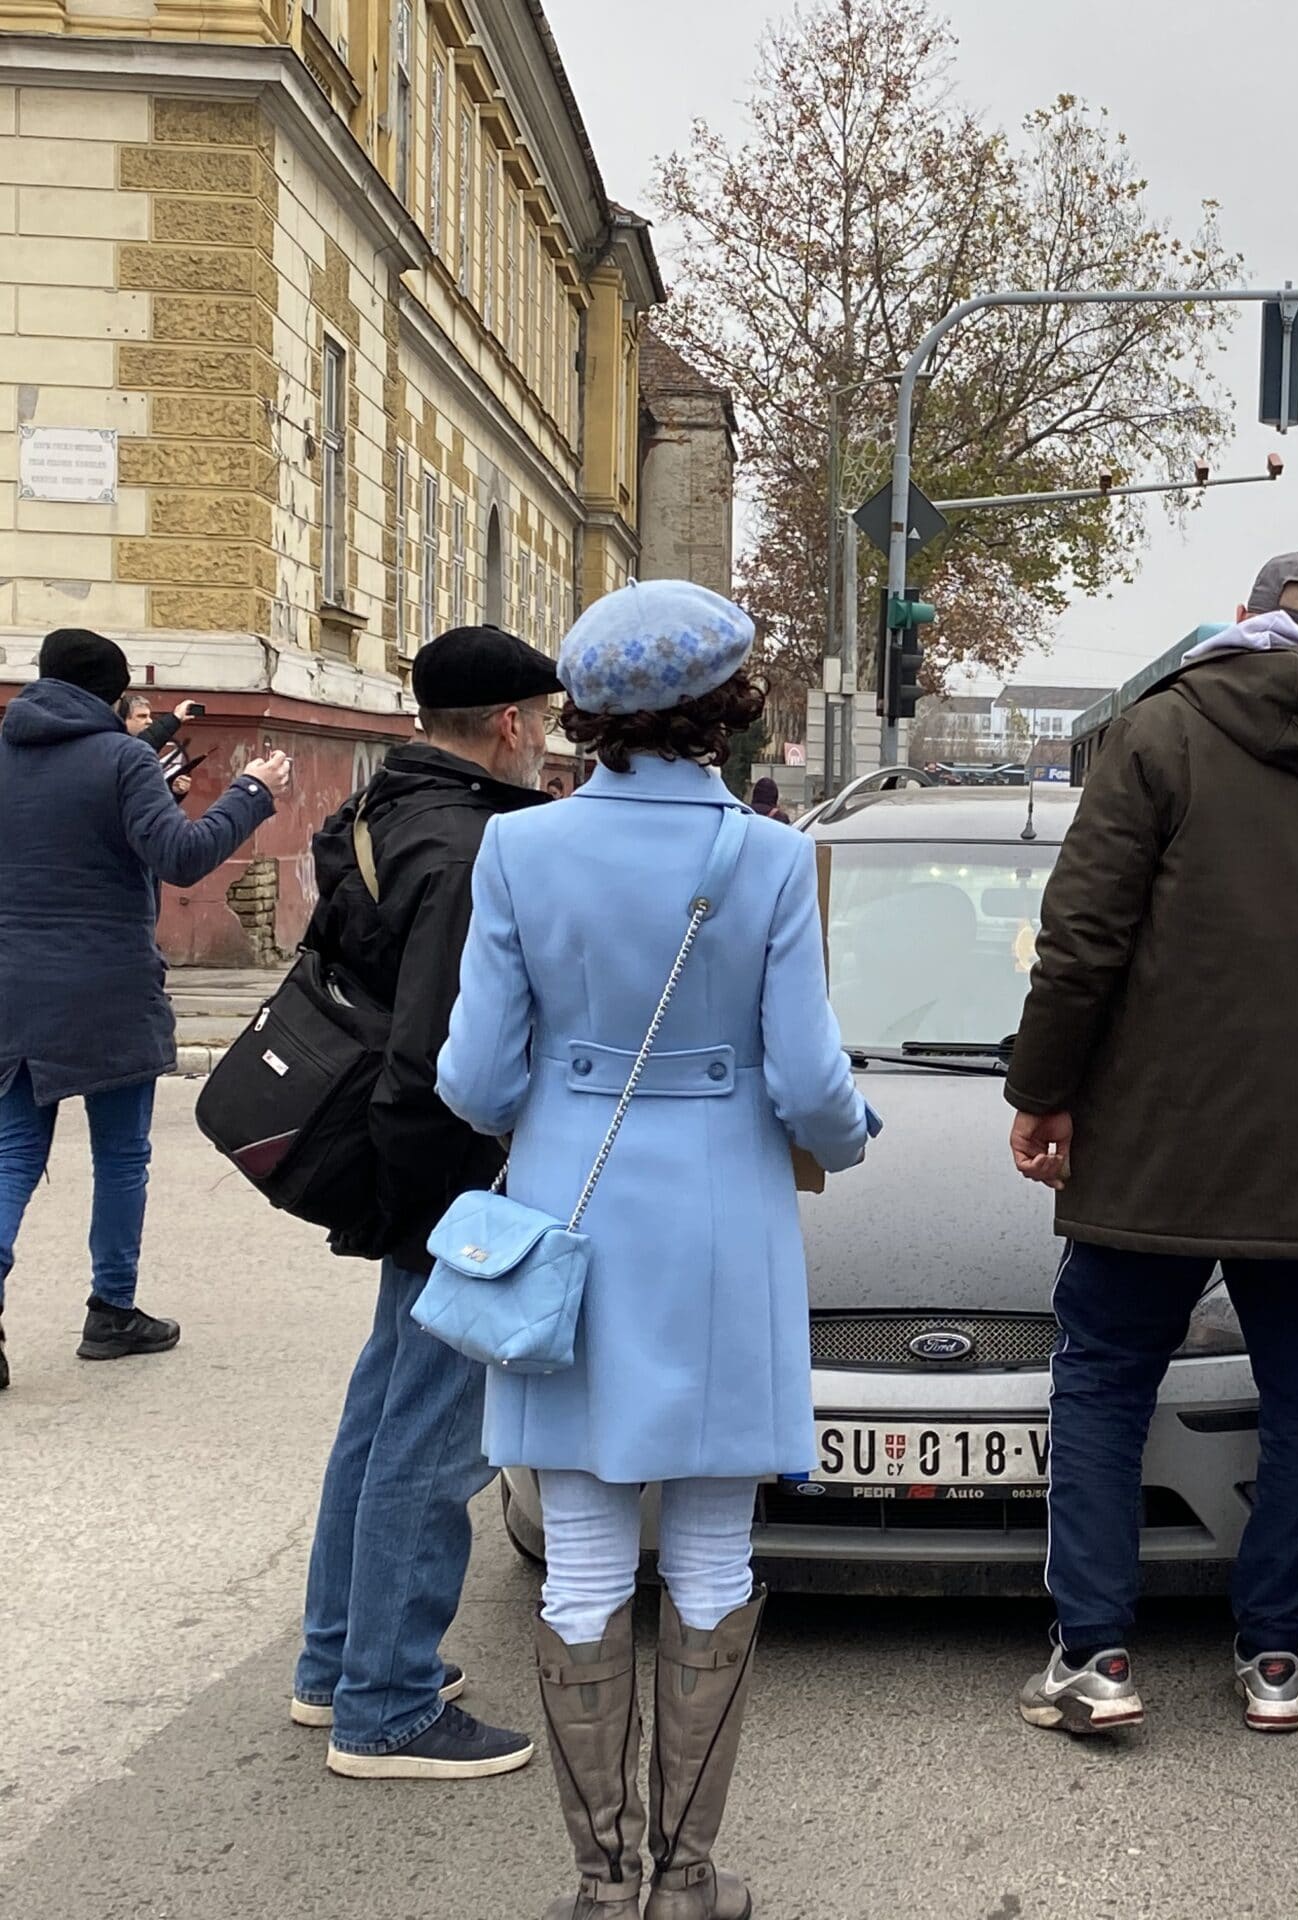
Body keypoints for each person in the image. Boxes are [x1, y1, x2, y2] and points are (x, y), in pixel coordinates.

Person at [438, 580, 879, 1920]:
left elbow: (471, 1075)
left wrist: (565, 1107)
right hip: (721, 1233)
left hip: (569, 1220)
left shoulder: (517, 853)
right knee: (709, 1553)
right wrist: (848, 1135)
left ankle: (600, 1881)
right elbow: (808, 1084)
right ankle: (684, 1878)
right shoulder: (766, 858)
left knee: (577, 1549)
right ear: (728, 710)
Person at [1003, 549, 1298, 1738]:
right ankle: (1276, 1660)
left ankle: (1095, 1656)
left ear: (1244, 622)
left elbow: (1082, 937)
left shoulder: (1162, 738)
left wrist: (1042, 1089)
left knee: (1102, 1375)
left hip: (1157, 1134)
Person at [289, 626, 561, 1782]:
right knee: (434, 1437)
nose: (548, 741)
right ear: (505, 723)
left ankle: (335, 1663)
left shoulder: (381, 805)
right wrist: (438, 1211)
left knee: (379, 1413)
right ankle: (387, 1708)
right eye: (543, 720)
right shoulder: (465, 849)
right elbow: (433, 1060)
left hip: (398, 1168)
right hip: (442, 1176)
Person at [0, 628, 289, 1391]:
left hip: (11, 986)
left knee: (13, 1155)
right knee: (120, 1154)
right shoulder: (123, 758)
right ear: (108, 693)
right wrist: (252, 792)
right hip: (109, 988)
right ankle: (112, 1312)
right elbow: (183, 857)